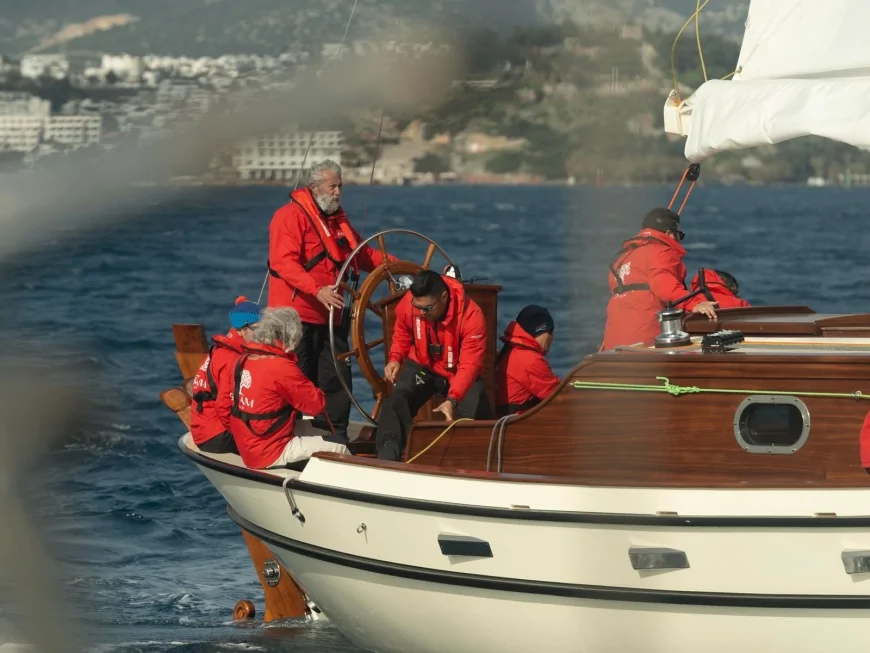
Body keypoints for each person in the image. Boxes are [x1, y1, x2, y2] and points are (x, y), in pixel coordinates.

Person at [267, 159, 395, 440]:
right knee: (295, 379)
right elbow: (283, 263)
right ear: (314, 188)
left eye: (340, 186)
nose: (338, 192)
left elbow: (363, 254)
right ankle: (284, 439)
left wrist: (402, 270)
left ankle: (335, 438)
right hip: (295, 316)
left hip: (331, 315)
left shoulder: (338, 220)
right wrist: (317, 289)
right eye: (332, 186)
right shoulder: (289, 216)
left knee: (337, 378)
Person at [376, 270, 492, 461]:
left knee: (478, 416)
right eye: (417, 306)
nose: (421, 312)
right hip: (423, 365)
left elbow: (470, 364)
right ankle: (387, 458)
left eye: (427, 308)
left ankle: (474, 465)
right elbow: (402, 331)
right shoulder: (411, 301)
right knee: (396, 401)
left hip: (457, 371)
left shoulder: (472, 316)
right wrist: (395, 357)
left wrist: (452, 400)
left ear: (444, 297)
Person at [216, 307, 350, 470]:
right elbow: (316, 405)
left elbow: (224, 406)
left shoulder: (243, 359)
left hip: (248, 445)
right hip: (269, 451)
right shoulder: (281, 367)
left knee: (318, 431)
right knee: (339, 445)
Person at [601, 207, 718, 350]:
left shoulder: (621, 259)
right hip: (646, 339)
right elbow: (664, 286)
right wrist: (695, 304)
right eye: (679, 235)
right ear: (669, 234)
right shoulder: (660, 251)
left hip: (614, 341)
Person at [190, 297, 262, 454]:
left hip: (205, 428)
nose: (263, 333)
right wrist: (246, 435)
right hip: (217, 436)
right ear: (241, 330)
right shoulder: (232, 360)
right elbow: (223, 408)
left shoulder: (223, 349)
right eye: (257, 328)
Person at [495, 305, 561, 416]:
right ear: (538, 331)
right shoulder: (529, 359)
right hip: (519, 425)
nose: (552, 337)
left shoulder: (509, 350)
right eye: (550, 331)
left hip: (506, 418)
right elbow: (557, 395)